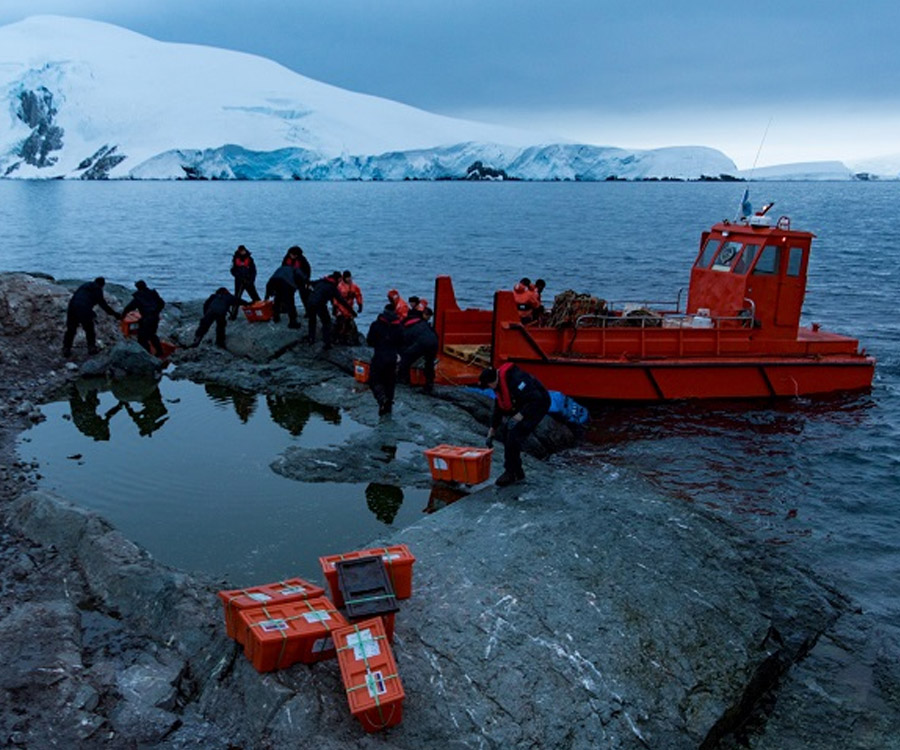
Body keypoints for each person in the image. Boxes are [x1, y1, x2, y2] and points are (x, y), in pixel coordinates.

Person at [479, 364, 551, 486]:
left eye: (488, 386)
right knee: (507, 430)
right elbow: (499, 407)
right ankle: (517, 471)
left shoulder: (516, 380)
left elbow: (536, 399)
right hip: (522, 403)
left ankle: (511, 472)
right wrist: (493, 428)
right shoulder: (499, 385)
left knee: (514, 434)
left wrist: (520, 415)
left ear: (492, 382)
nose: (489, 388)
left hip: (537, 404)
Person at [62, 276, 122, 357]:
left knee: (71, 329)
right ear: (102, 285)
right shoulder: (97, 289)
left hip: (72, 306)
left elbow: (80, 297)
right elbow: (103, 304)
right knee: (89, 329)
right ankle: (91, 348)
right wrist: (115, 314)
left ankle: (66, 349)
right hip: (84, 309)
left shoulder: (85, 285)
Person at [366, 302, 404, 415]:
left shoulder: (376, 325)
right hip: (392, 358)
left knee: (373, 380)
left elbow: (370, 341)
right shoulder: (399, 327)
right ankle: (388, 406)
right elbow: (402, 343)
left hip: (379, 356)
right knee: (390, 382)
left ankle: (381, 398)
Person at [307, 271, 354, 349]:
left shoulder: (321, 281)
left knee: (312, 320)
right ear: (338, 279)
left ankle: (311, 339)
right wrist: (351, 311)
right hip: (320, 304)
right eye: (340, 280)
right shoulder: (332, 287)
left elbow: (310, 283)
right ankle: (327, 344)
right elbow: (341, 300)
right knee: (326, 323)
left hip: (310, 301)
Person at [398, 306, 438, 394]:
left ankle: (404, 381)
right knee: (429, 363)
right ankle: (429, 383)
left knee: (405, 359)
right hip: (434, 341)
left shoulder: (406, 326)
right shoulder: (423, 323)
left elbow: (403, 342)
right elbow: (434, 333)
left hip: (422, 342)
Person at [122, 280, 165, 357]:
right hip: (155, 317)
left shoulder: (138, 297)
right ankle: (159, 352)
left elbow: (128, 308)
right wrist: (156, 312)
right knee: (152, 335)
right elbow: (162, 303)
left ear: (137, 287)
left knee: (142, 338)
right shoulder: (153, 293)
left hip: (147, 319)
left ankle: (147, 355)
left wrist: (122, 316)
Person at [265, 263, 308, 328]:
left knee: (277, 298)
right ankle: (292, 322)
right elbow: (301, 282)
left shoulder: (283, 268)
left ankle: (276, 317)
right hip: (286, 283)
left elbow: (270, 281)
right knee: (290, 302)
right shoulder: (298, 271)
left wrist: (267, 294)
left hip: (273, 281)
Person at [229, 245, 260, 320]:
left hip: (249, 281)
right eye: (241, 251)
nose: (242, 252)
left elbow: (253, 271)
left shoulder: (250, 259)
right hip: (239, 281)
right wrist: (238, 276)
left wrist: (251, 280)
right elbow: (232, 270)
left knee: (255, 297)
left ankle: (260, 312)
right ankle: (233, 315)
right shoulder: (235, 259)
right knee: (237, 298)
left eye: (243, 251)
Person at [334, 270, 364, 345]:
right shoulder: (339, 287)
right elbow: (335, 297)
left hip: (349, 308)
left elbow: (358, 295)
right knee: (340, 323)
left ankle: (347, 339)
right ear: (344, 278)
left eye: (350, 277)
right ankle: (338, 338)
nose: (349, 279)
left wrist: (360, 305)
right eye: (347, 278)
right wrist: (335, 306)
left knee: (348, 324)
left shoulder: (354, 287)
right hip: (340, 308)